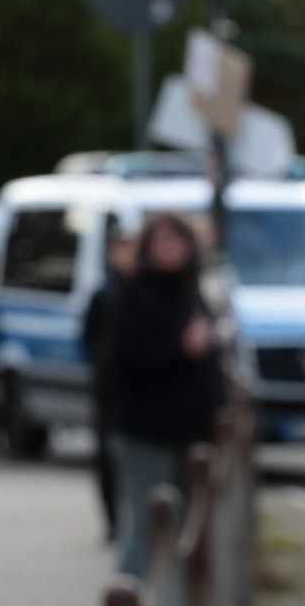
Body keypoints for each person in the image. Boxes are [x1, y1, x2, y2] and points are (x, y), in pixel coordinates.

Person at [96, 214, 225, 576]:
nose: (170, 249)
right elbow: (122, 362)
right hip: (144, 429)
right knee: (144, 523)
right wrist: (182, 350)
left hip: (190, 429)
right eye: (162, 242)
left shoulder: (191, 291)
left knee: (186, 527)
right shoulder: (132, 293)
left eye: (177, 241)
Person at [81, 232, 135, 542]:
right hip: (110, 388)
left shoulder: (143, 292)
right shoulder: (104, 293)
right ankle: (114, 520)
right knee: (107, 456)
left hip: (136, 390)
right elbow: (89, 337)